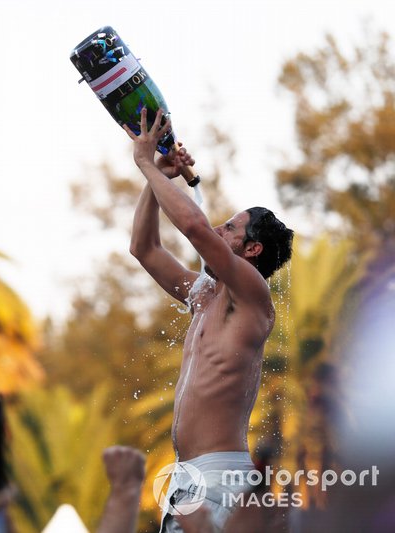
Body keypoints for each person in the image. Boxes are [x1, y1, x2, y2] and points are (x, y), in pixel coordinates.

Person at [124, 109, 294, 532]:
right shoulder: (203, 295)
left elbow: (196, 228)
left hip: (222, 480)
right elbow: (143, 249)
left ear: (251, 251)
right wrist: (155, 177)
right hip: (187, 480)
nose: (219, 230)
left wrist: (145, 161)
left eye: (231, 228)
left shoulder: (252, 295)